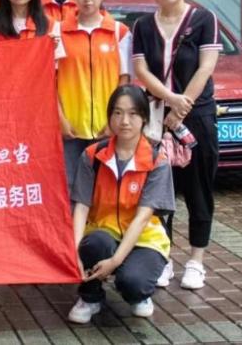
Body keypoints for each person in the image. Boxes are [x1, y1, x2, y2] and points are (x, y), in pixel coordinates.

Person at [131, 0, 221, 291]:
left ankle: (196, 260)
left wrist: (181, 108)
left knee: (198, 189)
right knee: (158, 190)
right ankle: (163, 256)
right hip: (156, 119)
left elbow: (206, 67)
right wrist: (170, 99)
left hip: (196, 117)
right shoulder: (143, 26)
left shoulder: (204, 19)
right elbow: (141, 70)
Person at [68, 85, 174, 324]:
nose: (124, 121)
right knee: (94, 244)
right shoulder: (92, 155)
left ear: (144, 118)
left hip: (145, 239)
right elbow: (81, 206)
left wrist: (115, 262)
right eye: (117, 113)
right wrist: (73, 252)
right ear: (109, 117)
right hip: (102, 232)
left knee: (133, 282)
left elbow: (142, 218)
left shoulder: (157, 161)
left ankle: (139, 292)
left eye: (133, 113)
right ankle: (90, 297)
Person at [58, 0, 132, 183]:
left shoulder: (119, 32)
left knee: (105, 186)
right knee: (70, 186)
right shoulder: (58, 32)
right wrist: (61, 120)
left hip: (106, 128)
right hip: (71, 128)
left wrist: (113, 120)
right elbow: (50, 81)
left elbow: (124, 81)